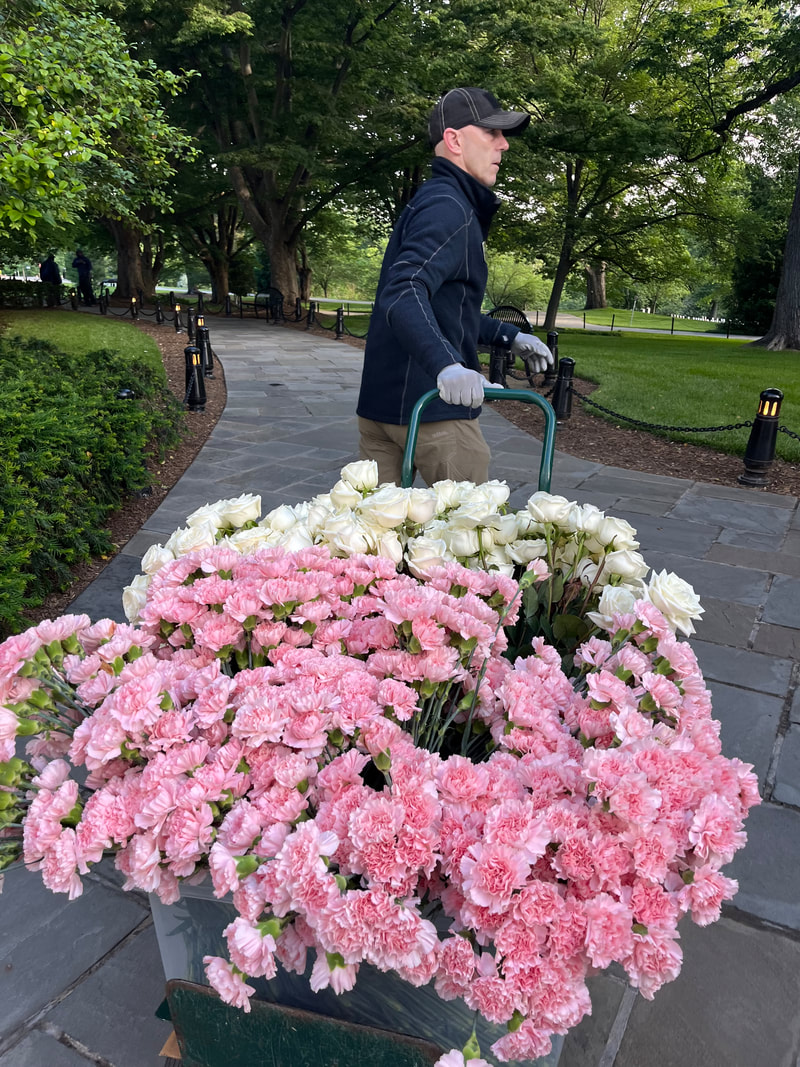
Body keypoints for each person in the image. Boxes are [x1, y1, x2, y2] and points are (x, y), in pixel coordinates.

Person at [357, 87, 553, 486]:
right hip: (433, 416)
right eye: (492, 134)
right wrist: (447, 364)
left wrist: (508, 335)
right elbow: (403, 290)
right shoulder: (451, 207)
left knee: (378, 543)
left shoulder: (433, 200)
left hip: (382, 410)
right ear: (454, 140)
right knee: (472, 541)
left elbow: (440, 307)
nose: (504, 146)